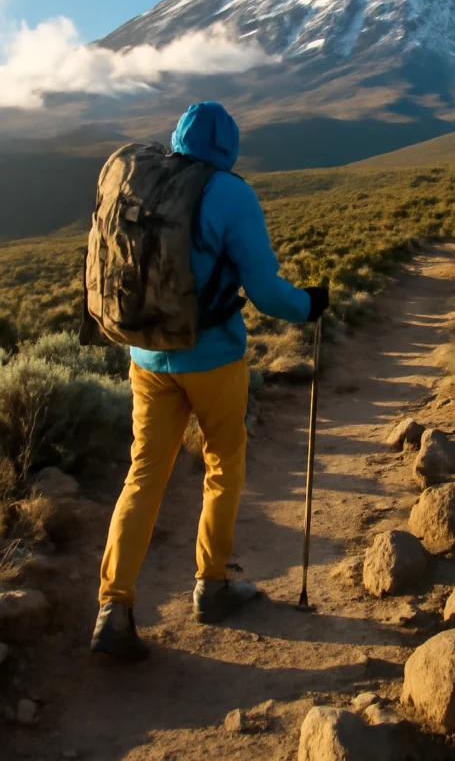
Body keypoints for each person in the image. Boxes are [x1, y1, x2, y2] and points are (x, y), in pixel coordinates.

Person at [90, 101, 328, 660]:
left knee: (144, 474)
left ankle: (113, 608)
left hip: (147, 357)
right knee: (223, 465)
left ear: (177, 137)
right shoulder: (228, 193)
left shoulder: (142, 179)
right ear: (229, 147)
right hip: (213, 359)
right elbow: (266, 292)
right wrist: (308, 305)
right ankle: (212, 586)